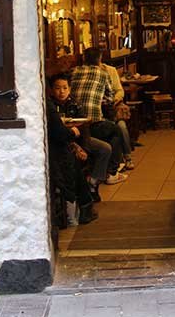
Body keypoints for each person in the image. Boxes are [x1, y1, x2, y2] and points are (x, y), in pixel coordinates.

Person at [49, 73, 112, 201]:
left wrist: (84, 148)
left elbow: (84, 127)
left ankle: (93, 182)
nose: (62, 92)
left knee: (105, 148)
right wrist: (75, 146)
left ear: (70, 88)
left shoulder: (75, 104)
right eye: (57, 88)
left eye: (65, 88)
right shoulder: (50, 107)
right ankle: (80, 193)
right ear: (51, 90)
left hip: (78, 138)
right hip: (62, 142)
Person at [70, 47, 129, 183]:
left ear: (84, 59)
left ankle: (105, 170)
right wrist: (99, 100)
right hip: (92, 123)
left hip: (74, 122)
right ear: (100, 59)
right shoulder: (103, 73)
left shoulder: (74, 71)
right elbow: (109, 99)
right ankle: (112, 172)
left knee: (111, 130)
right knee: (116, 130)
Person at [46, 97, 97, 225]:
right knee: (72, 161)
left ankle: (85, 202)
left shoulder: (50, 104)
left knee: (73, 155)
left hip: (52, 150)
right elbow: (61, 133)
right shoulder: (48, 105)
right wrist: (73, 133)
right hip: (54, 158)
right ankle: (85, 204)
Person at [101, 61, 141, 154]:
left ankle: (127, 155)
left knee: (121, 127)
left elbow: (120, 91)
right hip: (101, 114)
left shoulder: (110, 70)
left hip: (113, 109)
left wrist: (115, 100)